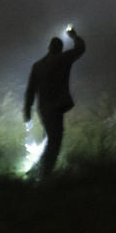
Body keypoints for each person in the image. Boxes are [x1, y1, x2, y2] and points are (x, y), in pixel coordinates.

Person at [24, 26, 86, 178]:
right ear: (60, 48)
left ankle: (36, 171)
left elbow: (30, 90)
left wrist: (27, 111)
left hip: (43, 109)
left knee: (49, 138)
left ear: (49, 48)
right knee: (54, 141)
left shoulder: (37, 66)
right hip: (56, 107)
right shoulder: (63, 59)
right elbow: (80, 49)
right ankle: (43, 175)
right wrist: (74, 36)